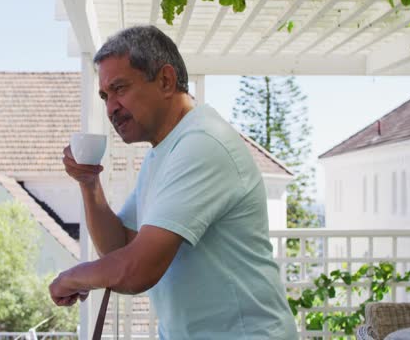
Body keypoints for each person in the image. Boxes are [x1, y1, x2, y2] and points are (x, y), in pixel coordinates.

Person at [49, 25, 297, 339]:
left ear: (166, 80)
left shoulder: (203, 143)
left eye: (120, 88)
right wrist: (89, 183)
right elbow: (119, 247)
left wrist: (73, 277)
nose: (111, 107)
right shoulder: (162, 153)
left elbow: (137, 269)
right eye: (105, 95)